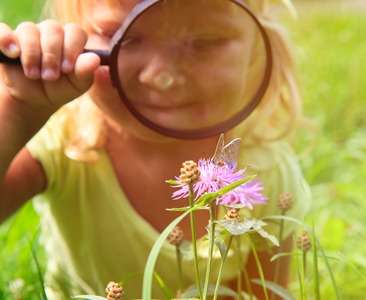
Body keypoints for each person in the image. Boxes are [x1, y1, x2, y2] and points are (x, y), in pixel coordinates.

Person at [0, 0, 311, 299]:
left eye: (203, 42)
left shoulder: (266, 172)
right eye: (124, 37)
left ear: (257, 47)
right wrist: (18, 112)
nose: (160, 76)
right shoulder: (64, 140)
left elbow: (261, 295)